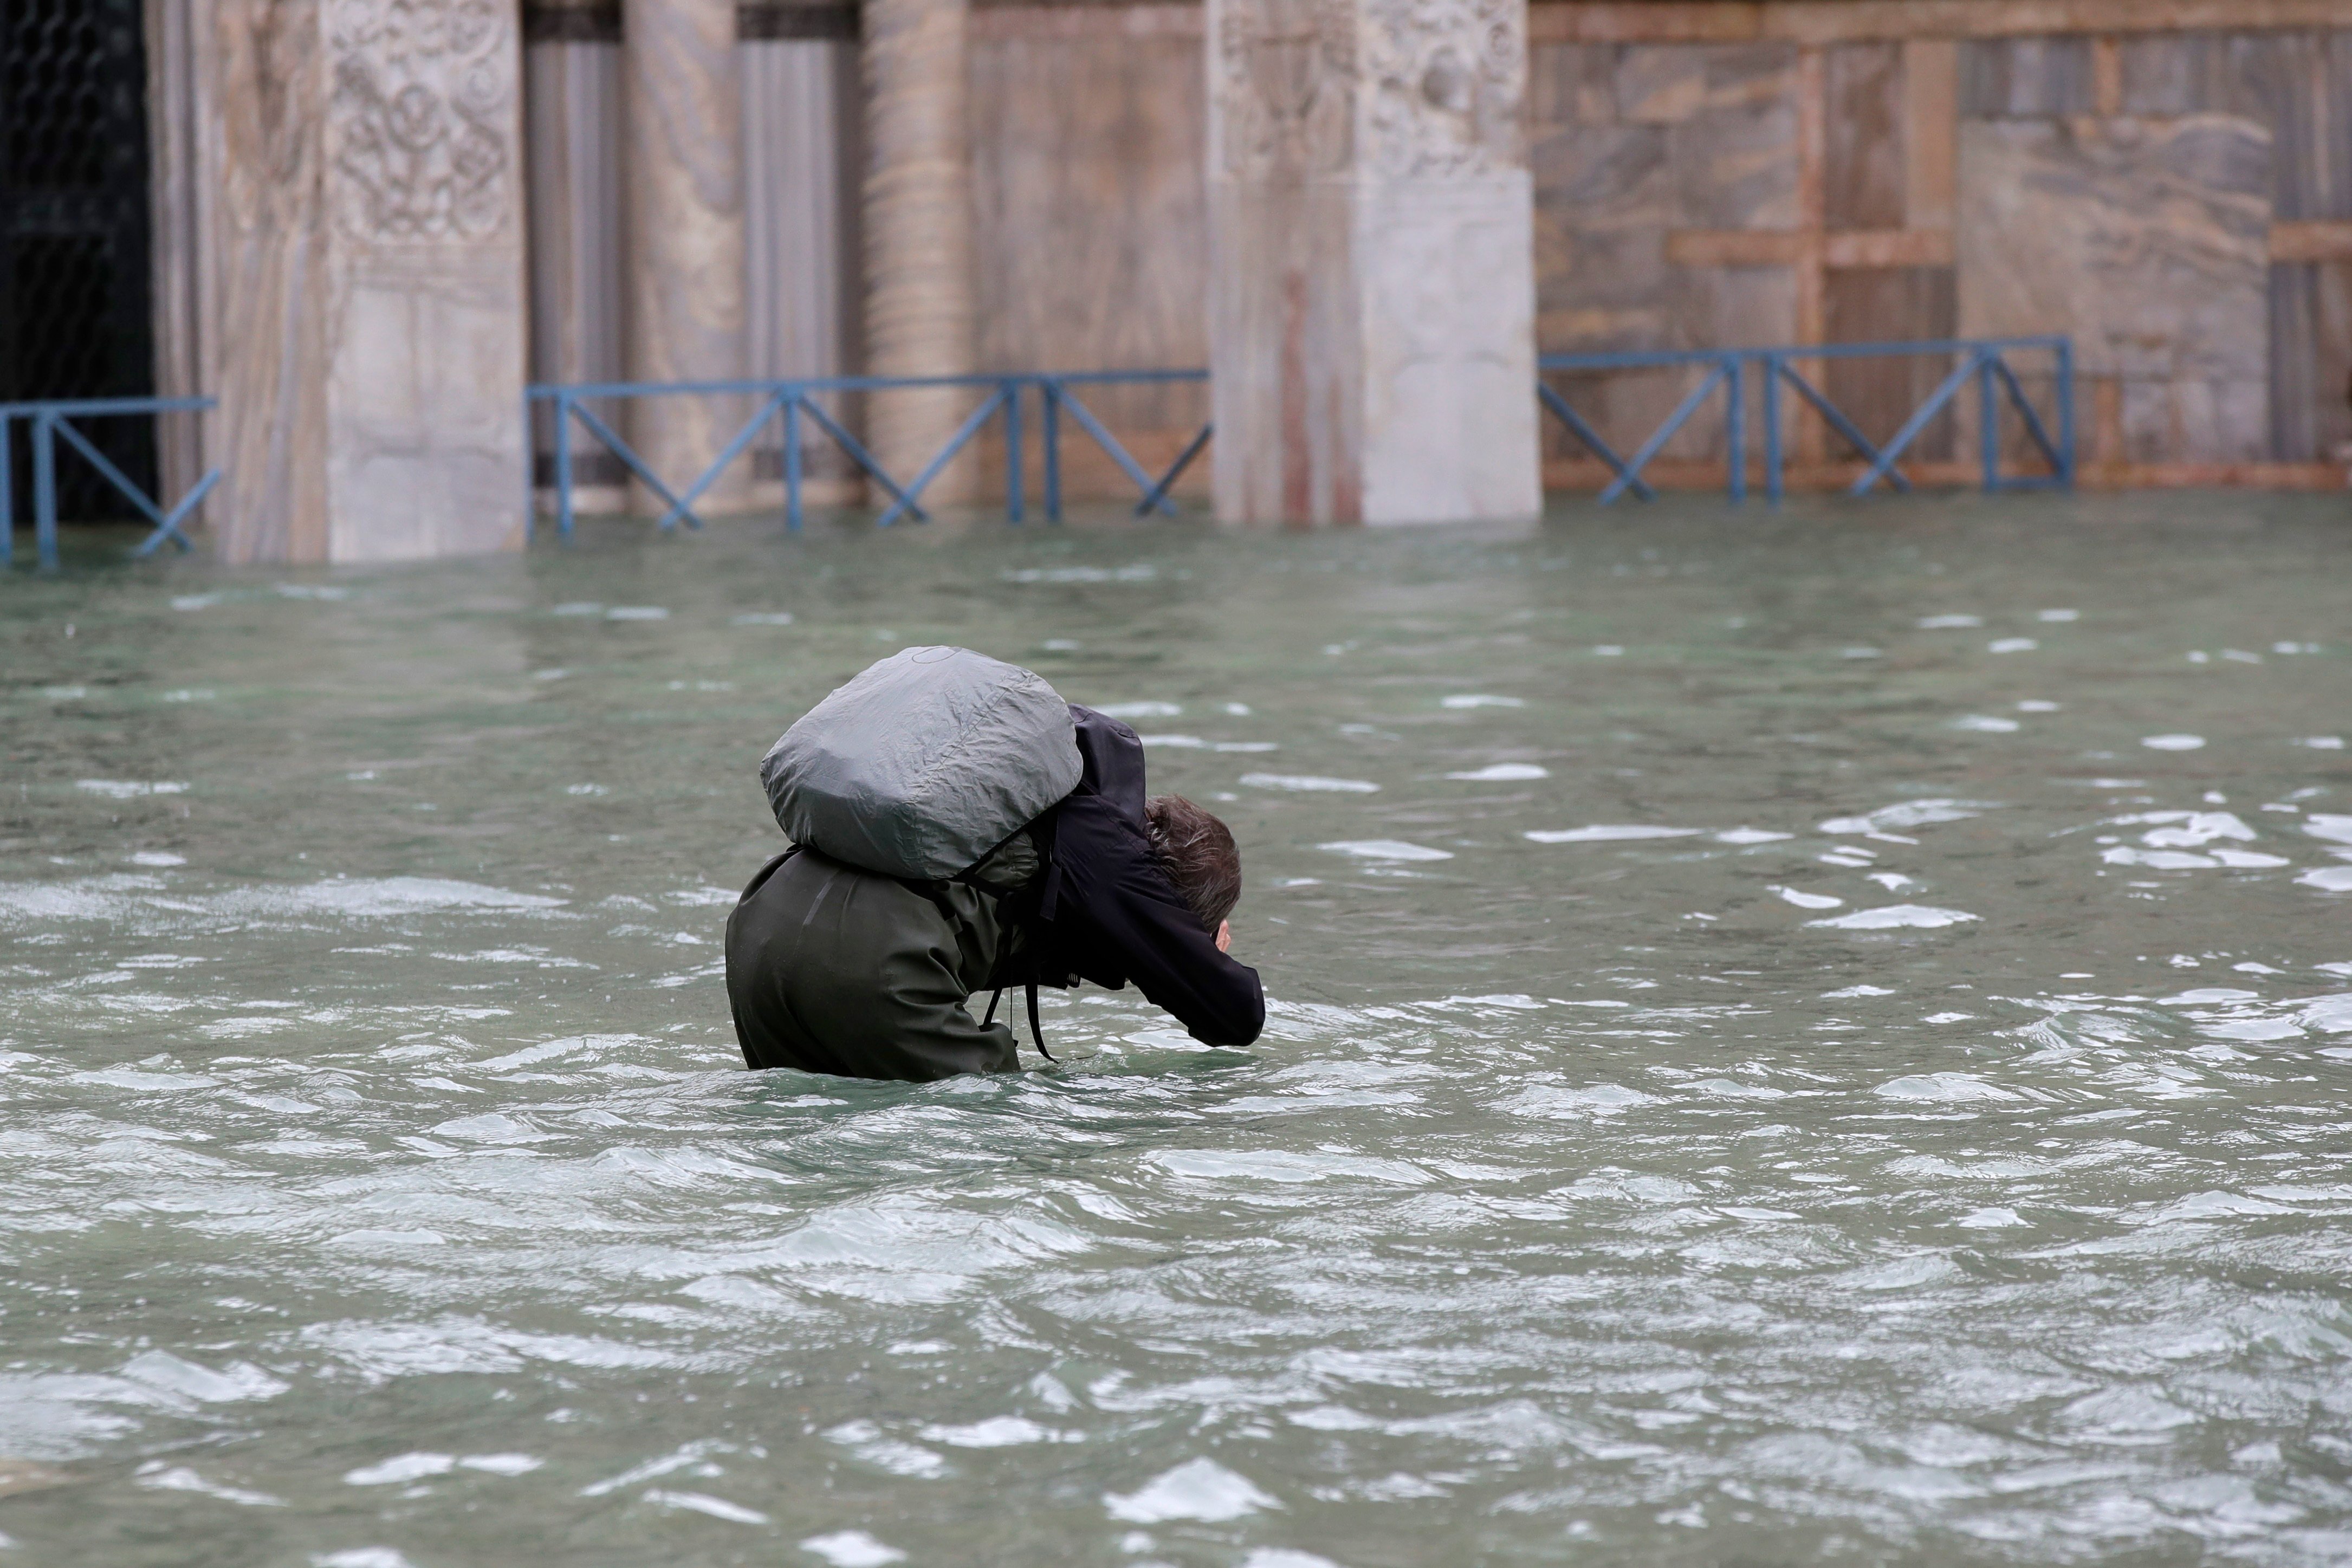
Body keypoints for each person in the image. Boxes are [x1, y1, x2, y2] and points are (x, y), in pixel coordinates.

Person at [724, 704, 1265, 1081]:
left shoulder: (1039, 799)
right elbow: (1235, 1017)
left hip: (760, 924)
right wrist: (1201, 950)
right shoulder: (1111, 854)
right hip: (874, 961)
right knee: (1002, 1129)